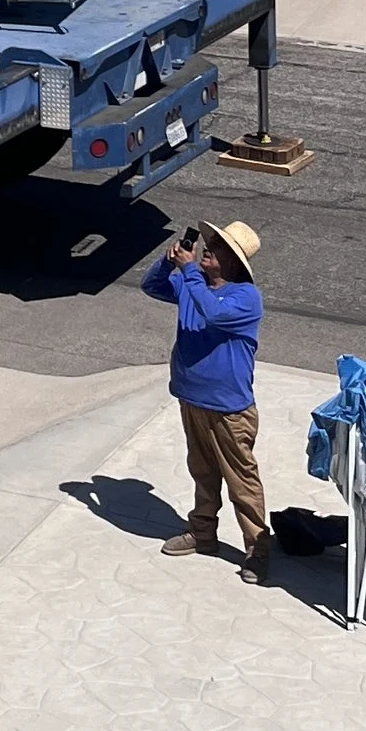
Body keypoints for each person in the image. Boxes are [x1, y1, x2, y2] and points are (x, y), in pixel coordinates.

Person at [143, 218, 271, 583]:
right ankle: (202, 534)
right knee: (202, 470)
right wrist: (170, 264)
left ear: (232, 262)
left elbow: (212, 313)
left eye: (216, 248)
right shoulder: (192, 282)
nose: (207, 249)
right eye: (210, 243)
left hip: (229, 409)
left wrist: (189, 274)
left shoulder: (246, 298)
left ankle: (258, 550)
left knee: (241, 480)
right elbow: (151, 286)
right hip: (192, 399)